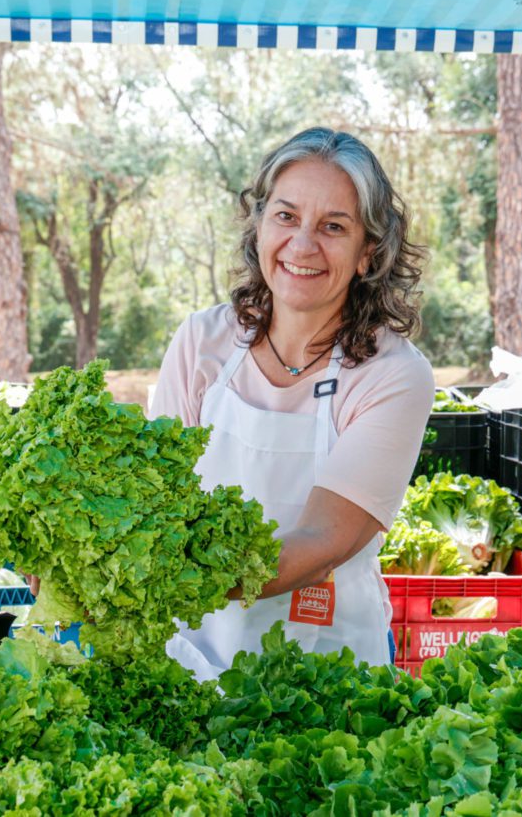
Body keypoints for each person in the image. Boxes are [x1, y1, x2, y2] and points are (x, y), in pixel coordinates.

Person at [150, 127, 434, 679]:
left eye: (333, 227)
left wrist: (152, 577)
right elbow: (152, 498)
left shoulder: (394, 375)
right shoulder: (202, 342)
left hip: (326, 669)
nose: (302, 246)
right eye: (286, 216)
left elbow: (320, 543)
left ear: (368, 252)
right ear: (259, 226)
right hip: (191, 658)